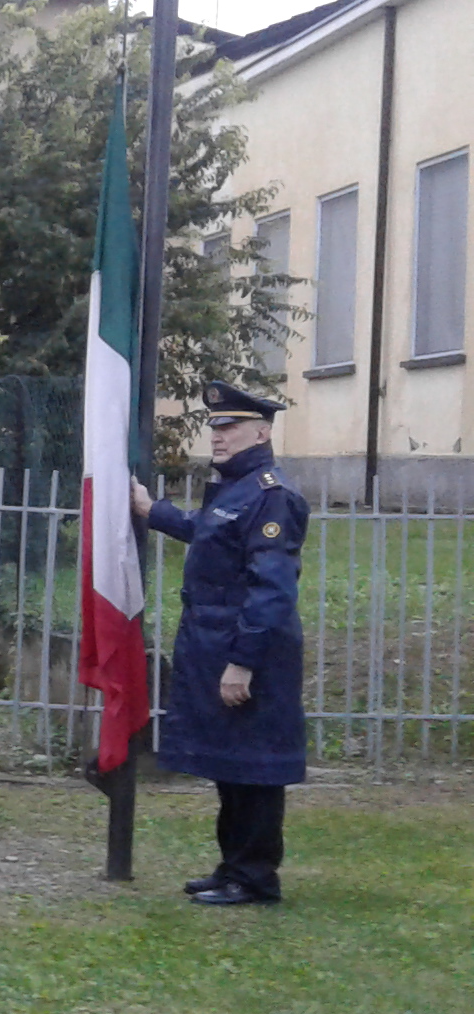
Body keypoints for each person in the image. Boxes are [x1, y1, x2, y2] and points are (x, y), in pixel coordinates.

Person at [131, 382, 308, 906]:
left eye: (230, 427)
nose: (219, 436)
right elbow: (208, 532)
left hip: (249, 650)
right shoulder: (238, 489)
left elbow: (271, 590)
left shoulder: (271, 495)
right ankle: (233, 867)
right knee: (233, 765)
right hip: (216, 644)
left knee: (255, 770)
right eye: (215, 427)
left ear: (262, 432)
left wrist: (242, 663)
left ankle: (254, 877)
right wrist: (152, 510)